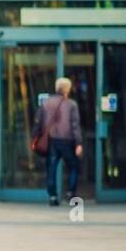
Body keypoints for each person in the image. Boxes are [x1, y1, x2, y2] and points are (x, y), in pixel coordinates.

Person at [34, 76, 83, 206]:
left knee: (52, 168)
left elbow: (38, 122)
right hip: (67, 140)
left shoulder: (46, 103)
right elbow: (74, 125)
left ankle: (53, 196)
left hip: (51, 140)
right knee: (74, 166)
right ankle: (70, 193)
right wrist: (78, 143)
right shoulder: (71, 104)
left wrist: (36, 138)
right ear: (67, 89)